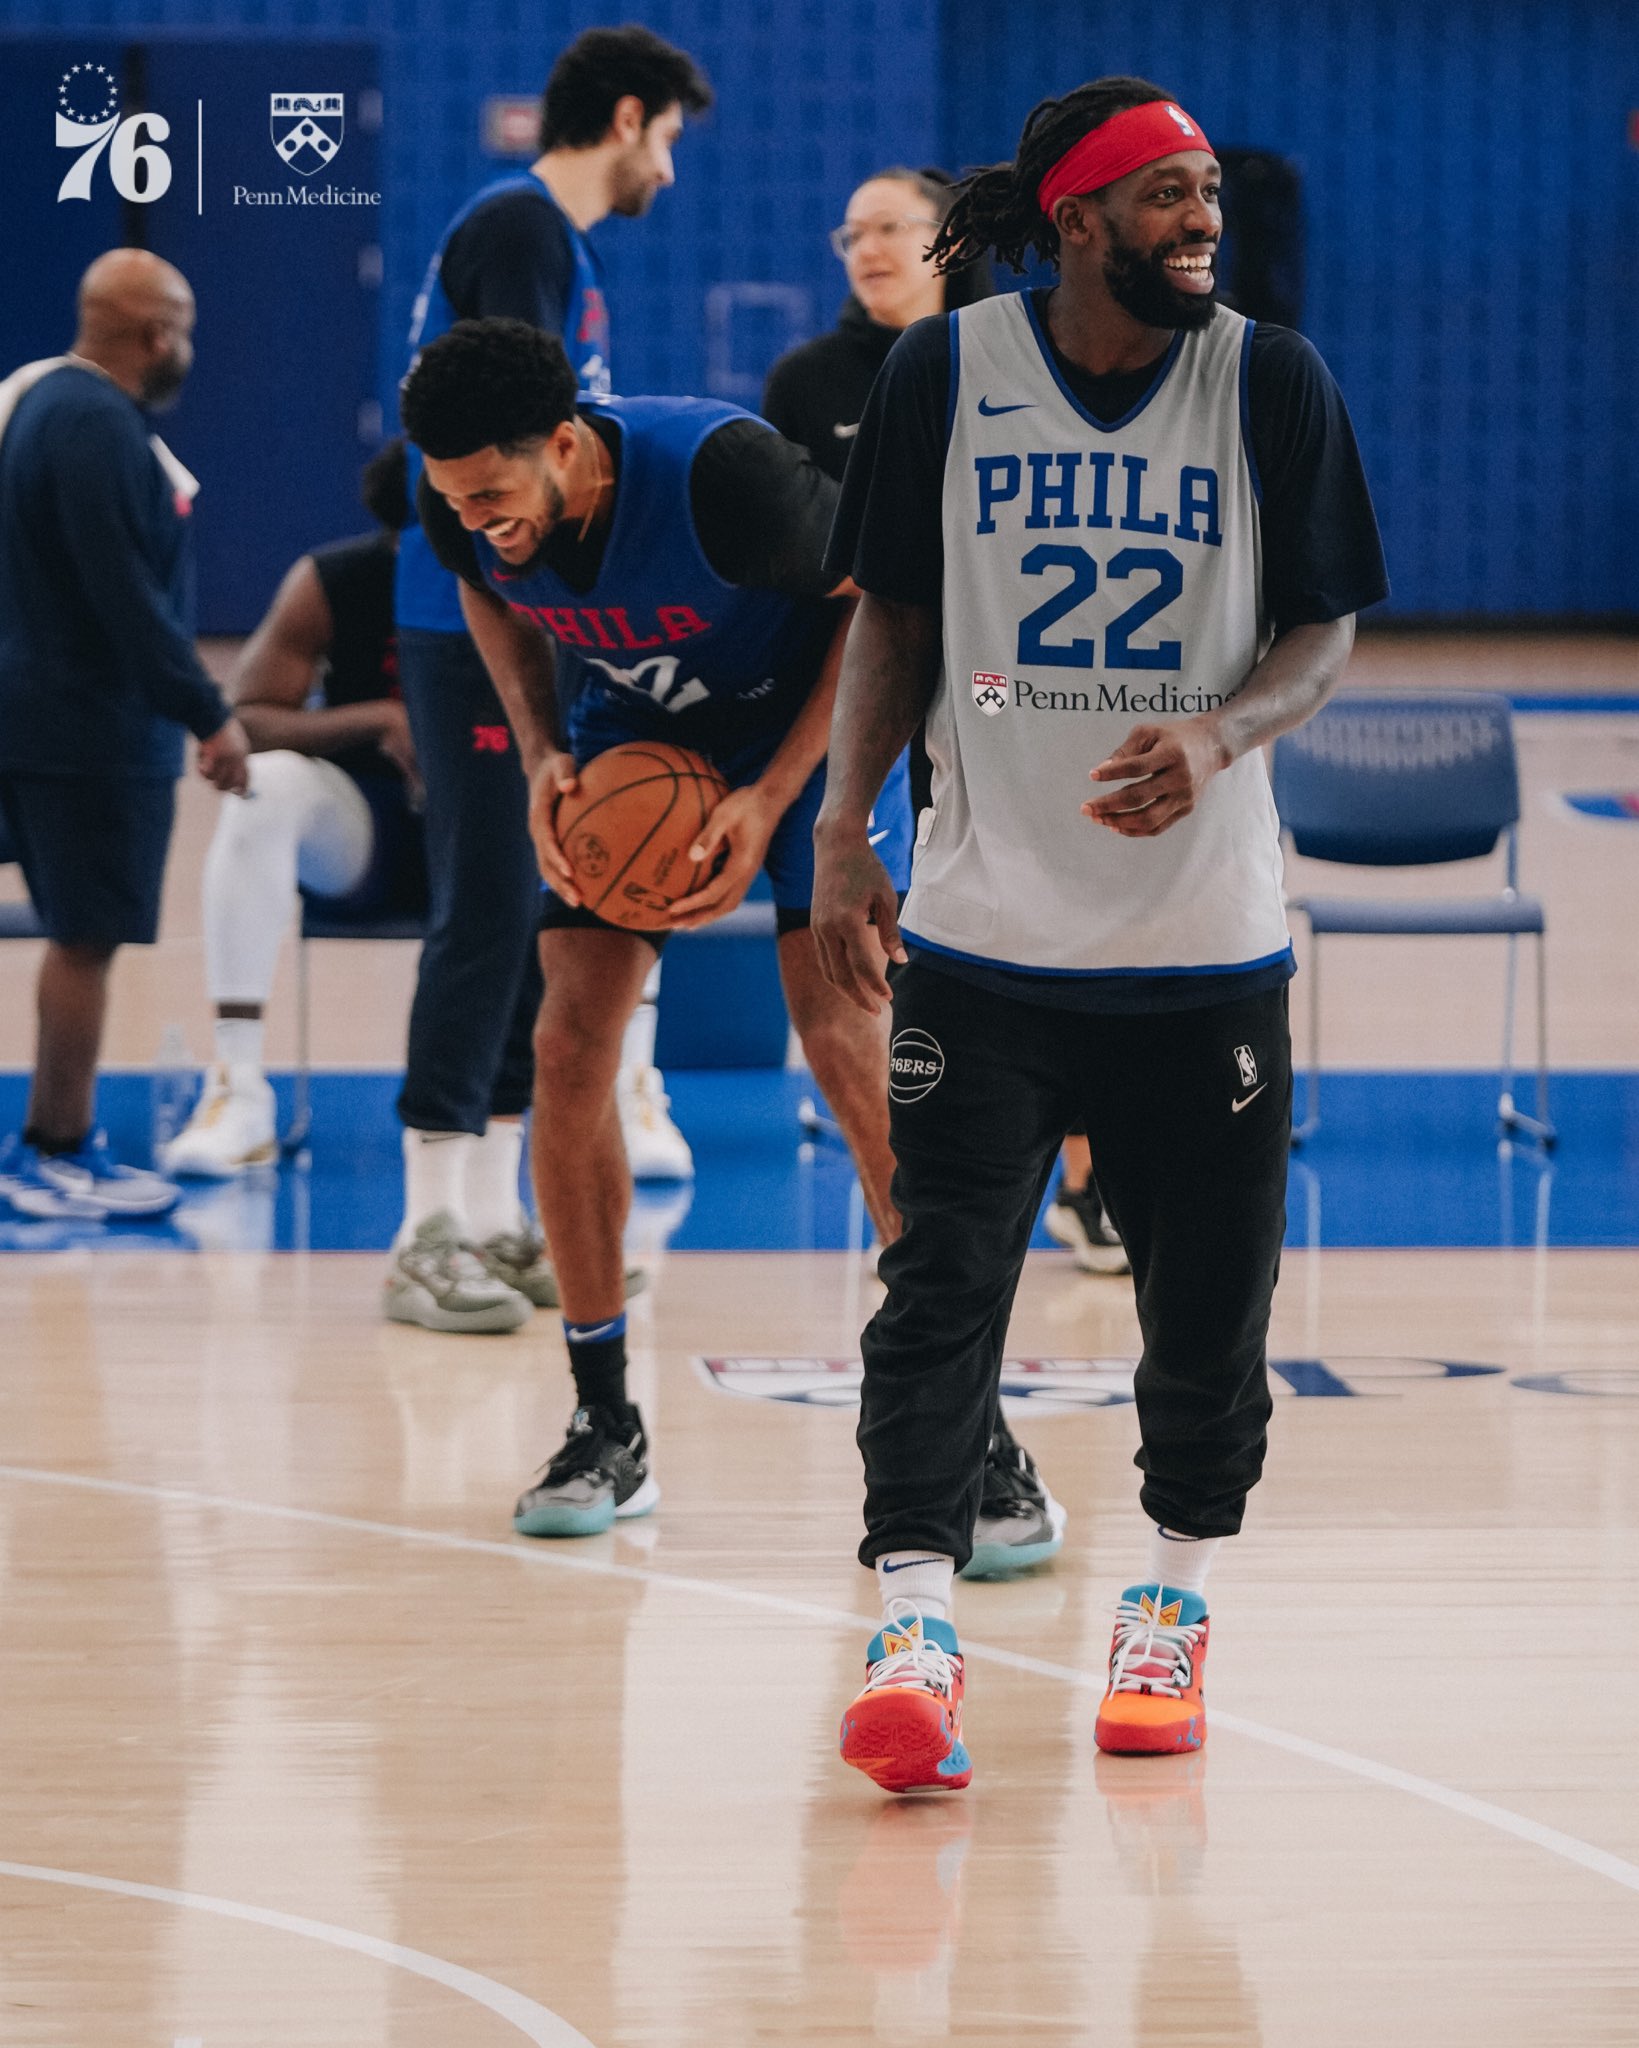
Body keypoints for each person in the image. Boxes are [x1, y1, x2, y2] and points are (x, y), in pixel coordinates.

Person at [813, 77, 1387, 1790]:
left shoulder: (1266, 376)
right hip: (984, 936)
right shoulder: (945, 370)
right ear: (1075, 222)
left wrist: (1213, 734)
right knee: (938, 1290)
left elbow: (1318, 632)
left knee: (1206, 1314)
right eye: (1164, 196)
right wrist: (842, 828)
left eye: (1208, 191)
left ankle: (1169, 1606)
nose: (1199, 218)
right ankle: (911, 1623)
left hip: (1201, 943)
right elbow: (898, 616)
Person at [398, 316, 912, 1538]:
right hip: (633, 739)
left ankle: (967, 1416)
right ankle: (604, 1420)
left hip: (814, 743)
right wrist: (535, 753)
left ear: (567, 446)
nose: (478, 519)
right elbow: (488, 597)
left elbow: (881, 606)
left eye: (495, 494)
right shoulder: (459, 507)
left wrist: (777, 799)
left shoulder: (727, 481)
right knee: (569, 1048)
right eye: (455, 501)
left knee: (841, 1045)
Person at [765, 170, 1073, 1578]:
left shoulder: (1025, 359)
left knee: (1059, 986)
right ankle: (933, 1282)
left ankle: (1071, 1177)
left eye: (884, 228)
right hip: (858, 710)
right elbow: (812, 581)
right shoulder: (808, 381)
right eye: (847, 233)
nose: (862, 251)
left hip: (1020, 720)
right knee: (855, 1015)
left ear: (944, 244)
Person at [391, 26, 713, 1332]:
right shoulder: (519, 227)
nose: (671, 177)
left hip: (544, 611)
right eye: (670, 143)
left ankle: (491, 1211)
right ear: (626, 119)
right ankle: (425, 1224)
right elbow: (500, 450)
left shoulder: (547, 241)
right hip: (478, 612)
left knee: (538, 897)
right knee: (482, 906)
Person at [0, 250, 250, 1223]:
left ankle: (58, 1143)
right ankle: (54, 1149)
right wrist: (208, 710)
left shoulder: (40, 404)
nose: (186, 346)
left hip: (43, 714)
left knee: (79, 934)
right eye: (181, 326)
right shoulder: (97, 425)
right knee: (85, 939)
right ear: (155, 333)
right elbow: (126, 600)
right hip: (85, 731)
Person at [157, 446, 431, 1155]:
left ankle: (624, 1088)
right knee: (265, 784)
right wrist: (381, 718)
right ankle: (239, 1086)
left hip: (495, 832)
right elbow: (246, 720)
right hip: (366, 831)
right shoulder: (334, 580)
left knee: (616, 799)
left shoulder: (523, 577)